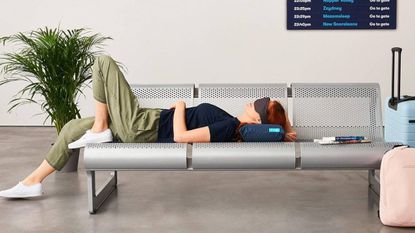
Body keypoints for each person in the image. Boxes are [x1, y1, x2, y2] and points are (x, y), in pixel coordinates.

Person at [0, 55, 297, 198]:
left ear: (257, 119)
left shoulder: (228, 127)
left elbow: (181, 137)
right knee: (71, 129)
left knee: (102, 63)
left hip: (143, 127)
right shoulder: (230, 123)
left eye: (258, 105)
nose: (252, 102)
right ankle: (32, 183)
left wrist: (180, 106)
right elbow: (277, 129)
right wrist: (284, 129)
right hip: (146, 122)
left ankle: (102, 127)